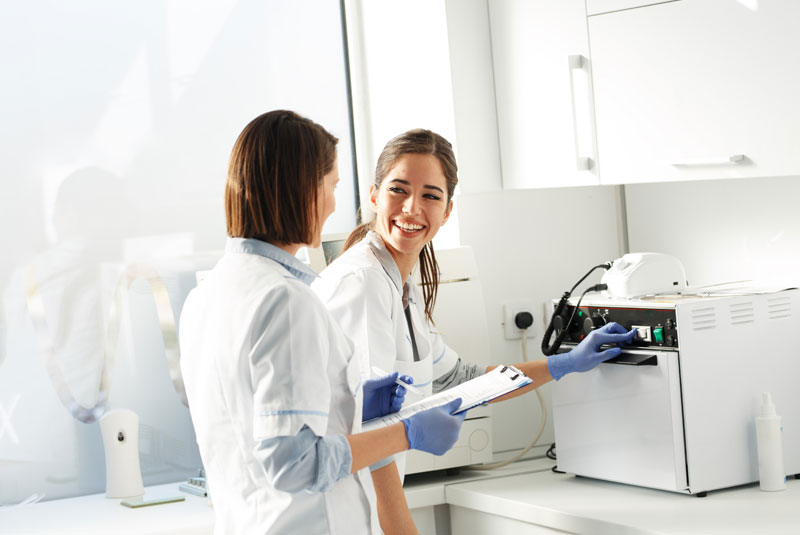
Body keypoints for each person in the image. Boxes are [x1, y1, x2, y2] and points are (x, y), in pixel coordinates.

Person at [312, 128, 637, 534]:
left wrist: (565, 363)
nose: (413, 208)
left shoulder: (401, 286)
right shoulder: (363, 283)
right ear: (375, 195)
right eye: (399, 190)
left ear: (447, 211)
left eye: (431, 195)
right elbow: (368, 424)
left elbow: (462, 379)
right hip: (348, 511)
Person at [178, 111, 467, 535]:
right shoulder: (286, 301)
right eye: (330, 186)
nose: (332, 204)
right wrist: (407, 433)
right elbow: (295, 463)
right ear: (302, 190)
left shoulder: (204, 296)